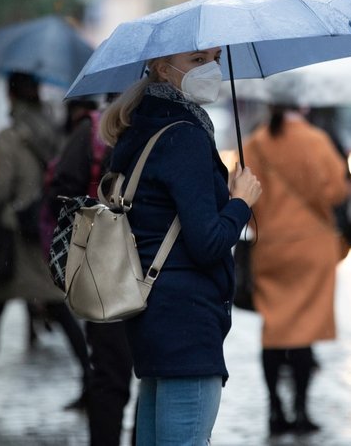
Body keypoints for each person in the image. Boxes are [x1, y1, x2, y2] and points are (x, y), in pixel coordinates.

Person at [100, 47, 261, 445]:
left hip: (153, 317)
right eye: (196, 60)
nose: (211, 70)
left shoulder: (143, 127)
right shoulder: (185, 136)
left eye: (216, 59)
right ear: (162, 69)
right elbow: (208, 244)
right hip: (185, 322)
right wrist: (240, 202)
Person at [0, 72, 93, 416]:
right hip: (39, 234)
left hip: (10, 241)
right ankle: (89, 378)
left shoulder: (10, 137)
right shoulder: (51, 133)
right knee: (58, 306)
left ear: (10, 96)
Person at [242, 105, 349, 435]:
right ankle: (301, 411)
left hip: (271, 247)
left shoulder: (256, 143)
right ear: (302, 106)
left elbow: (245, 197)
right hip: (312, 247)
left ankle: (275, 409)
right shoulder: (316, 141)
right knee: (303, 331)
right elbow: (337, 190)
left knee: (273, 330)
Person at [47, 97, 134, 446]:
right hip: (120, 270)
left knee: (112, 375)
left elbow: (62, 194)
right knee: (130, 376)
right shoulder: (101, 134)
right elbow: (64, 192)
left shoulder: (90, 133)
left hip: (105, 269)